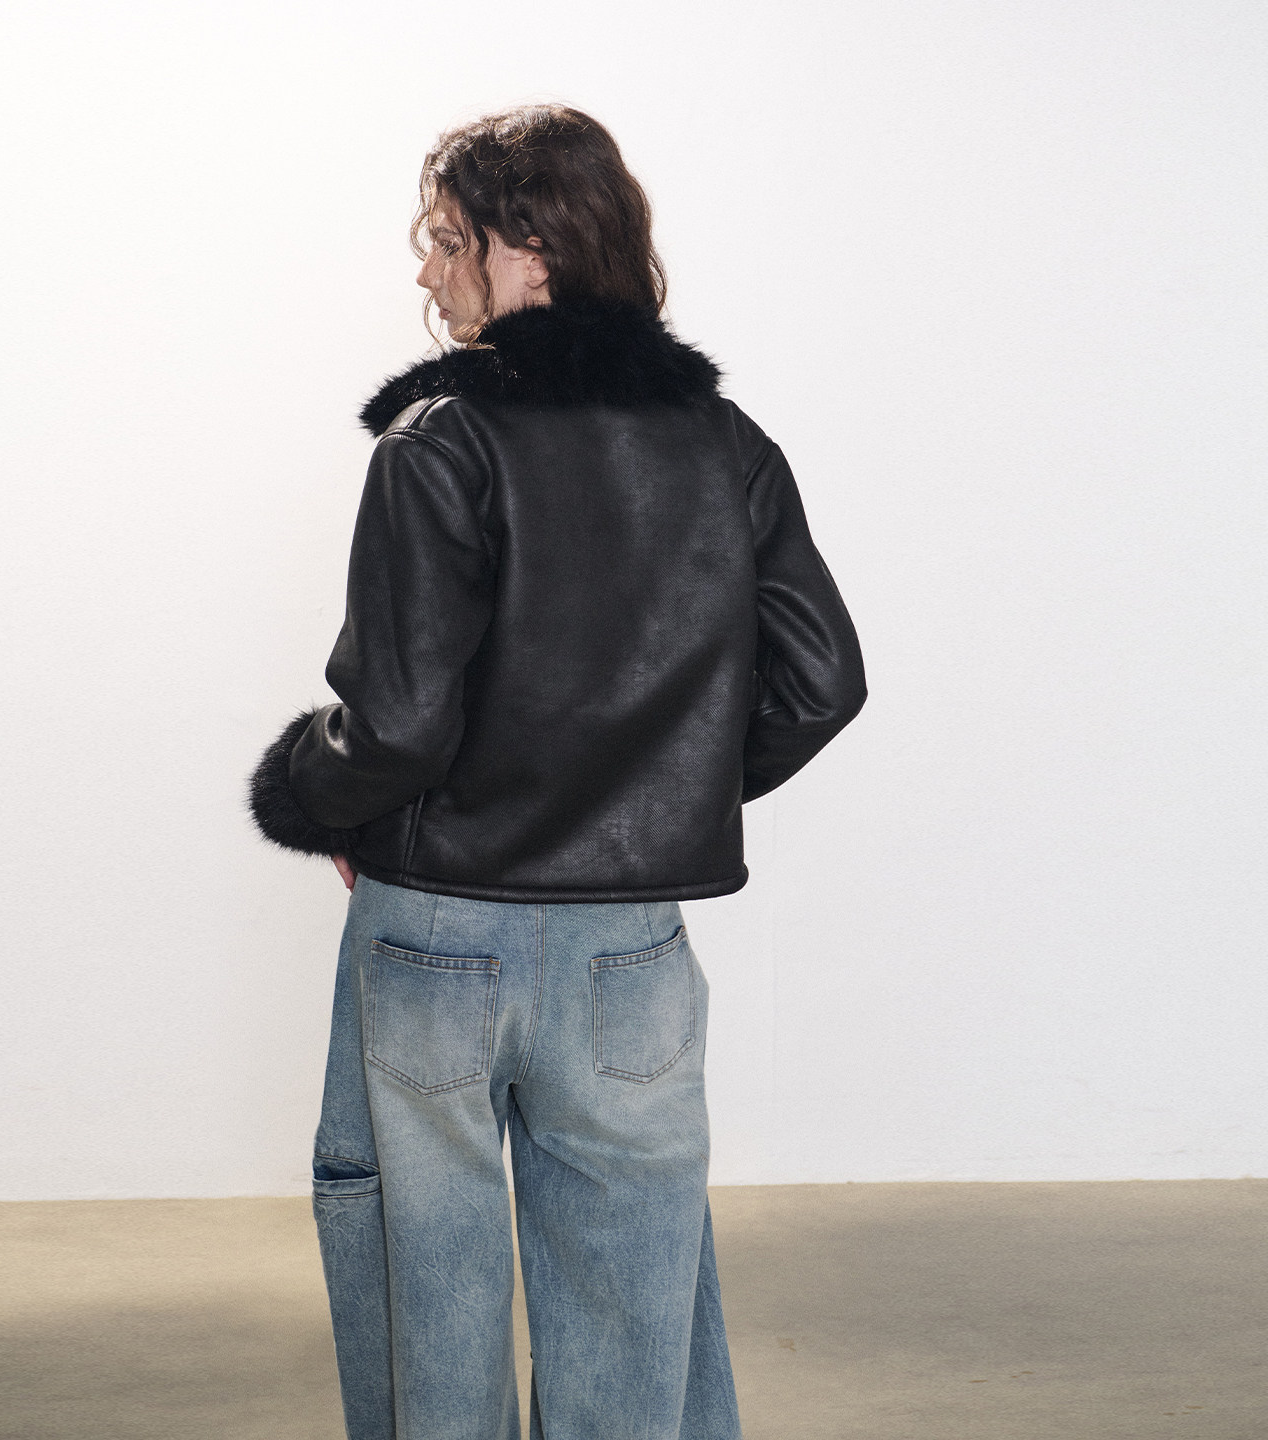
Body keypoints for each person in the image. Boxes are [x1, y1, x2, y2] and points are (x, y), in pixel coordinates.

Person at [248, 103, 867, 1440]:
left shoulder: (442, 442)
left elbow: (399, 729)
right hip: (626, 947)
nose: (428, 273)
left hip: (436, 934)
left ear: (526, 247)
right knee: (636, 1289)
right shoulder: (724, 443)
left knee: (427, 1279)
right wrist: (652, 789)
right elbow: (823, 684)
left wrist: (307, 792)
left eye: (446, 239)